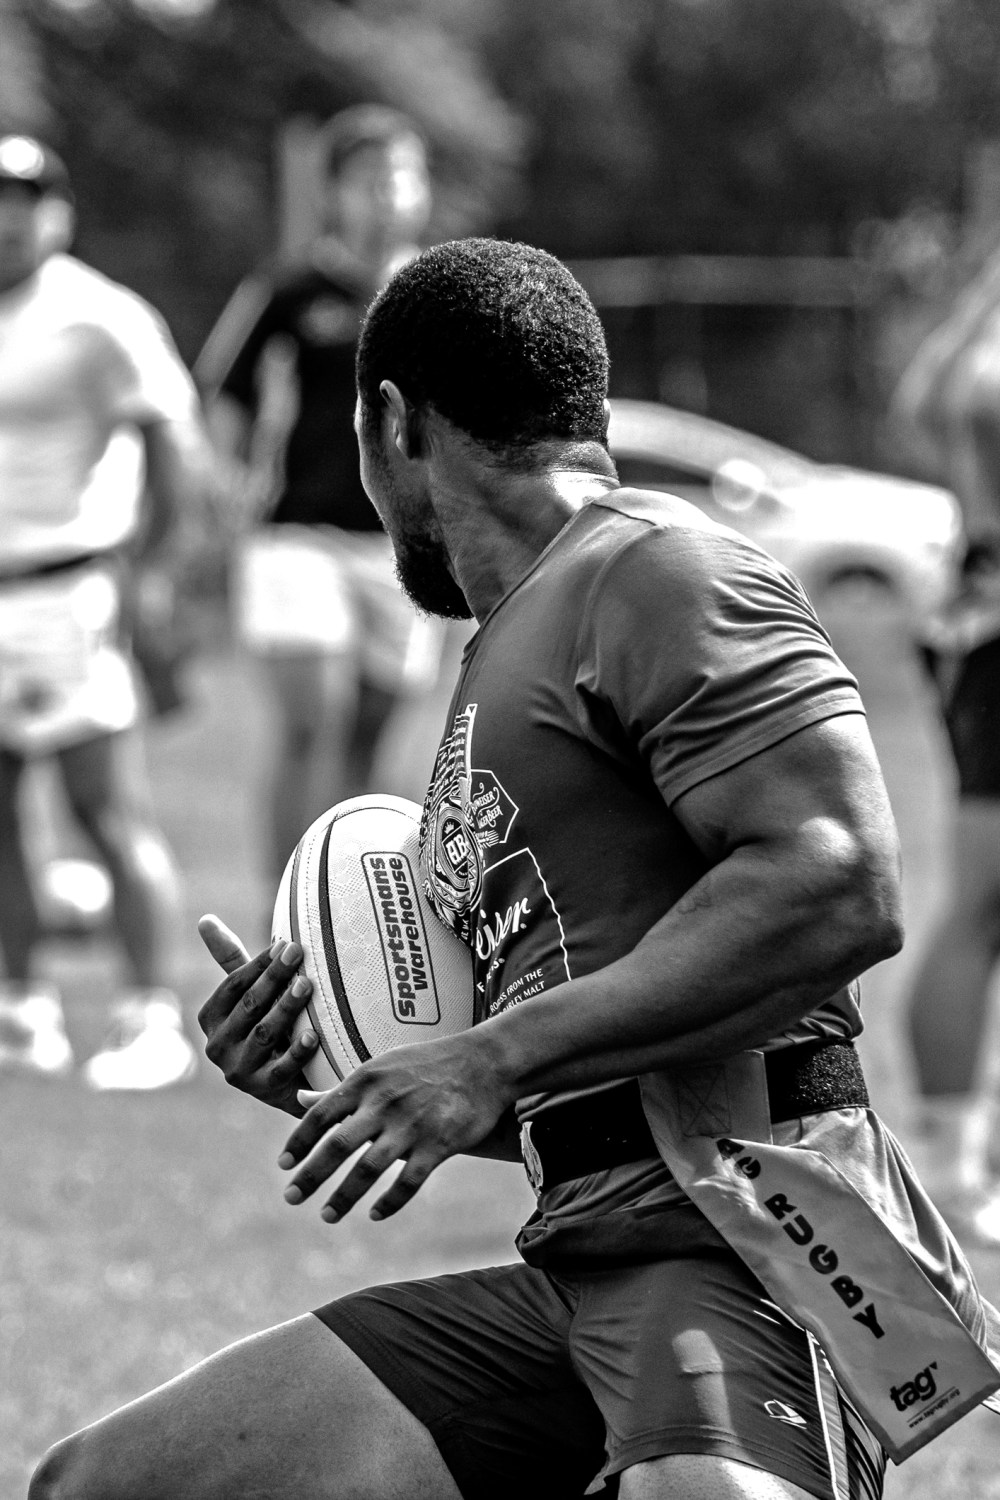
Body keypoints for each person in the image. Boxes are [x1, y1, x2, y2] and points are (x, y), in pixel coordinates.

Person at [30, 239, 1000, 1500]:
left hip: (744, 1249)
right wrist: (365, 1082)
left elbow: (837, 881)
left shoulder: (656, 567)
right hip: (582, 1260)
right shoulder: (510, 644)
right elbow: (612, 1075)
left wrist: (485, 1057)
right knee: (114, 1484)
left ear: (389, 427)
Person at [0, 133, 211, 1091]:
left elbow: (176, 449)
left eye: (28, 197)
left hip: (68, 590)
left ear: (59, 211)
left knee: (104, 809)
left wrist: (156, 577)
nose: (10, 216)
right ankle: (22, 1008)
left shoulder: (98, 316)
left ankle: (148, 1015)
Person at [196, 104, 445, 891]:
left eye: (402, 178)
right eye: (370, 180)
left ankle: (344, 913)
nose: (388, 195)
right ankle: (283, 924)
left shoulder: (442, 291)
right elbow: (225, 395)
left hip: (403, 547)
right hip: (296, 535)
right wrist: (225, 480)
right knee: (312, 719)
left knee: (372, 742)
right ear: (334, 192)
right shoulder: (291, 288)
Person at [892, 260, 1000, 1244]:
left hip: (973, 621)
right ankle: (949, 1166)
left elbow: (920, 399)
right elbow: (931, 403)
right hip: (989, 630)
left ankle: (961, 1157)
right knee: (979, 903)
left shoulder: (978, 333)